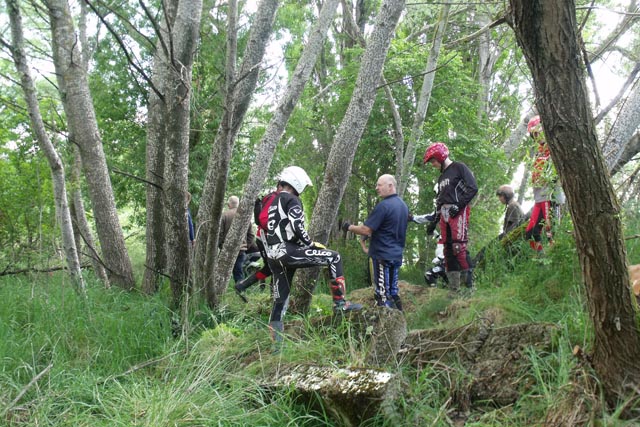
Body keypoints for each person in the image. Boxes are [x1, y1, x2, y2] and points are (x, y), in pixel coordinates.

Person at [264, 166, 362, 350]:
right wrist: (309, 243)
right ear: (297, 183)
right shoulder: (292, 199)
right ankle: (340, 304)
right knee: (334, 258)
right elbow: (296, 225)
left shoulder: (274, 202)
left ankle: (276, 346)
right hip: (287, 251)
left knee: (280, 299)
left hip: (273, 256)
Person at [342, 174, 409, 310]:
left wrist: (348, 227)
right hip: (396, 255)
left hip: (382, 256)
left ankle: (386, 326)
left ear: (390, 186)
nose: (376, 188)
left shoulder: (384, 206)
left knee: (382, 293)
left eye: (380, 185)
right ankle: (400, 323)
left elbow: (366, 230)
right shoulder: (403, 205)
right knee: (393, 291)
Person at [423, 142, 478, 295]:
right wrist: (433, 223)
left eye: (433, 161)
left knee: (458, 248)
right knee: (447, 251)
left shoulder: (459, 168)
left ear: (440, 156)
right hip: (444, 214)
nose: (433, 164)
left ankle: (470, 288)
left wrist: (458, 206)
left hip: (458, 211)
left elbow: (473, 188)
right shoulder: (441, 178)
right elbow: (439, 202)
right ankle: (454, 289)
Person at [525, 115, 556, 252]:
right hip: (538, 197)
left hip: (547, 194)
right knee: (530, 233)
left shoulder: (552, 148)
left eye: (538, 132)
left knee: (550, 230)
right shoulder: (539, 150)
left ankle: (554, 258)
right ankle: (541, 259)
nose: (537, 136)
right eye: (534, 134)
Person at [219, 196, 255, 284]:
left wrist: (220, 245)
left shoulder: (224, 215)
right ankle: (240, 291)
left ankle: (220, 291)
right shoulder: (245, 216)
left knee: (221, 272)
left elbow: (219, 233)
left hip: (226, 249)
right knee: (238, 272)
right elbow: (251, 235)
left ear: (228, 205)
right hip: (241, 250)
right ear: (238, 205)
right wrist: (246, 246)